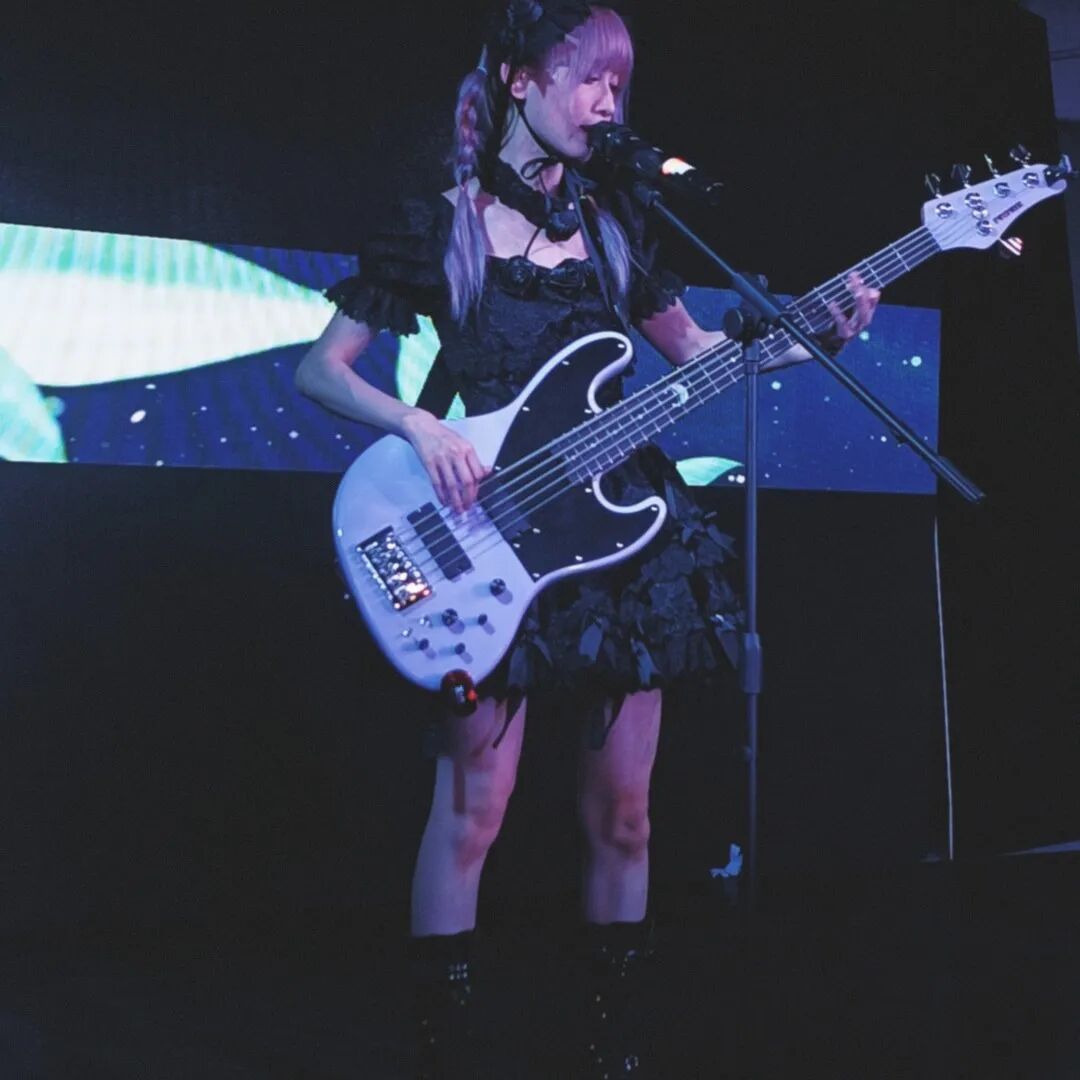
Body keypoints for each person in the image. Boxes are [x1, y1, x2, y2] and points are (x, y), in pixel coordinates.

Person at [296, 3, 879, 1075]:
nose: (610, 101)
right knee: (473, 809)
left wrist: (819, 335)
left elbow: (701, 352)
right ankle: (441, 1045)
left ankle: (614, 1045)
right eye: (590, 78)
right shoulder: (441, 223)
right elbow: (319, 369)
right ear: (521, 80)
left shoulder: (616, 224)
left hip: (620, 547)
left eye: (620, 83)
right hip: (487, 534)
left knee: (626, 815)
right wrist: (421, 427)